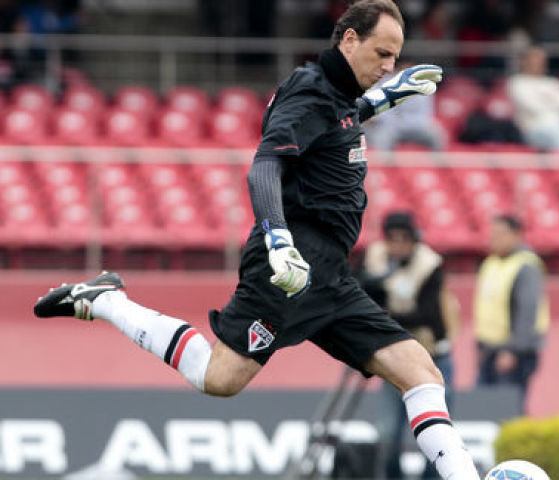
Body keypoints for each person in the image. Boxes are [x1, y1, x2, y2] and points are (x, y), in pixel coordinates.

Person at [34, 2, 480, 479]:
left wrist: (382, 99)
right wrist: (277, 238)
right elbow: (265, 164)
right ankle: (106, 301)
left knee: (422, 373)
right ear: (348, 39)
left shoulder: (336, 97)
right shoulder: (309, 93)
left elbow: (334, 123)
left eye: (395, 57)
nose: (389, 65)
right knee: (219, 378)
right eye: (382, 53)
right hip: (290, 268)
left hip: (331, 275)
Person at [361, 211, 460, 479]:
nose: (397, 246)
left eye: (404, 239)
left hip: (431, 356)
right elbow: (363, 294)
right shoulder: (377, 257)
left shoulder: (430, 264)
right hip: (395, 357)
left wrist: (384, 317)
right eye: (391, 239)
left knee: (436, 433)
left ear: (414, 240)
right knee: (389, 431)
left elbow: (427, 314)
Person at [473, 214, 550, 415]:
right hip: (489, 348)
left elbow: (527, 312)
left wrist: (513, 350)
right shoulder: (491, 263)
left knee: (507, 409)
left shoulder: (526, 266)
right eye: (492, 234)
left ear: (516, 235)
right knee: (485, 408)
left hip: (512, 352)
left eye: (499, 234)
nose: (493, 239)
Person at [364, 61, 447, 153]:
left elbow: (426, 115)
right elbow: (382, 111)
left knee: (437, 134)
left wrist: (409, 124)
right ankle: (386, 164)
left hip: (416, 127)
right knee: (382, 137)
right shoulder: (386, 84)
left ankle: (438, 163)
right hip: (391, 127)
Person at [508, 46, 559, 152]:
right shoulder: (517, 82)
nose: (538, 63)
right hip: (533, 131)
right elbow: (533, 107)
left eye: (541, 60)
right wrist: (554, 99)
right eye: (534, 59)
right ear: (525, 61)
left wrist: (544, 99)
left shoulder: (553, 82)